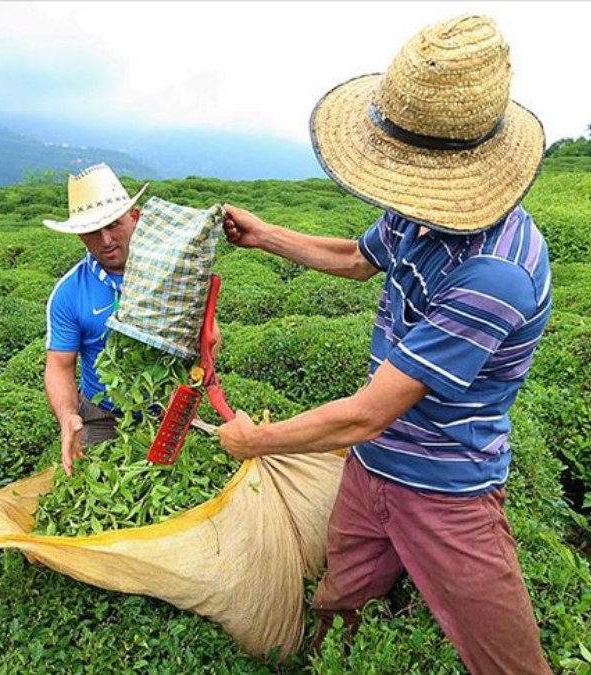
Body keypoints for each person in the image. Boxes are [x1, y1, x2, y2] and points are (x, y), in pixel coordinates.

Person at [217, 15, 552, 673]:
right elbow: (357, 257)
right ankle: (342, 652)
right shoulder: (421, 209)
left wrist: (257, 441)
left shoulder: (496, 273)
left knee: (506, 656)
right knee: (343, 590)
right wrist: (266, 236)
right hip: (373, 465)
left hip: (447, 486)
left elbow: (371, 409)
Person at [43, 163, 147, 476]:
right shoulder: (69, 293)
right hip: (103, 415)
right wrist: (67, 416)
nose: (106, 240)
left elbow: (208, 337)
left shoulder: (172, 274)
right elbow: (60, 365)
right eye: (91, 232)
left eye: (114, 225)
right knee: (86, 486)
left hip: (171, 408)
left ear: (135, 217)